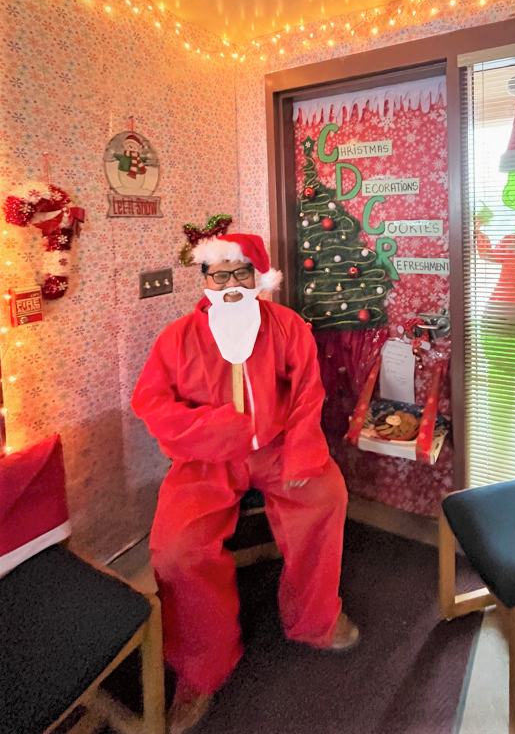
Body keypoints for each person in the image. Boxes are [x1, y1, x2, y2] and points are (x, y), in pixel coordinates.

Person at [131, 232, 357, 734]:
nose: (231, 285)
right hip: (205, 460)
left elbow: (306, 394)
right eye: (220, 274)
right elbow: (150, 403)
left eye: (241, 274)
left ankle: (315, 617)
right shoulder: (177, 339)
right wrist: (212, 431)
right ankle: (203, 666)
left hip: (278, 447)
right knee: (176, 550)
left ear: (258, 279)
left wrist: (299, 450)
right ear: (205, 279)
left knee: (326, 497)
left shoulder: (287, 327)